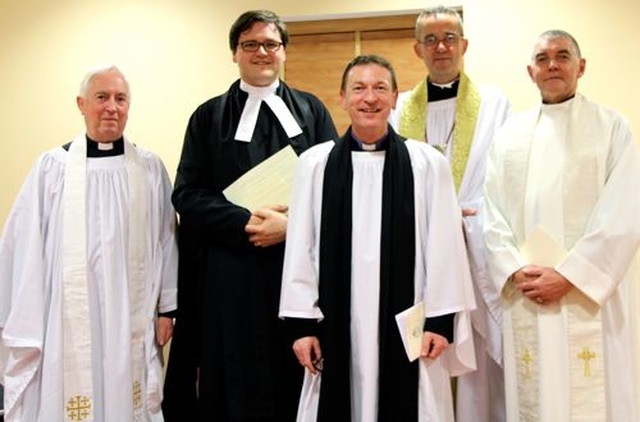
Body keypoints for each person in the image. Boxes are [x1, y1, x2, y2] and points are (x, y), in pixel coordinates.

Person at [161, 9, 338, 422]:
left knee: (293, 378)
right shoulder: (207, 117)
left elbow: (336, 190)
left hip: (292, 275)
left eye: (271, 44)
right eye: (251, 45)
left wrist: (289, 227)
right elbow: (186, 193)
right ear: (235, 53)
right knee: (233, 381)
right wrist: (244, 222)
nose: (262, 52)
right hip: (230, 278)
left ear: (284, 53)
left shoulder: (312, 111)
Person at [278, 54, 476, 422]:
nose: (370, 98)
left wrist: (440, 321)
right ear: (342, 97)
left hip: (410, 327)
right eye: (359, 88)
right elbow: (300, 249)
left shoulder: (427, 163)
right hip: (335, 325)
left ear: (396, 96)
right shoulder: (315, 164)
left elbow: (445, 247)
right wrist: (302, 326)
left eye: (380, 88)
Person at [0, 64, 178, 421]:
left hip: (132, 309)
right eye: (102, 97)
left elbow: (167, 239)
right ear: (82, 104)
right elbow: (22, 241)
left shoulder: (149, 168)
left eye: (121, 98)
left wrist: (167, 308)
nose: (112, 106)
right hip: (66, 315)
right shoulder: (53, 167)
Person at [483, 29, 640, 421]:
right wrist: (515, 270)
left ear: (581, 66)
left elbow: (623, 213)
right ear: (529, 72)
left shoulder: (612, 128)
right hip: (529, 292)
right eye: (542, 58)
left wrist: (570, 275)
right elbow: (491, 214)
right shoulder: (509, 136)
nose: (552, 64)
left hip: (589, 298)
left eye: (562, 56)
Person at [388, 6, 511, 421]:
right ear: (417, 48)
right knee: (427, 346)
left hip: (477, 241)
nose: (441, 47)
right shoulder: (399, 107)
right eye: (431, 39)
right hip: (420, 249)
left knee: (482, 362)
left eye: (449, 38)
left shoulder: (495, 104)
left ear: (464, 45)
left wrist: (468, 216)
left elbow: (507, 176)